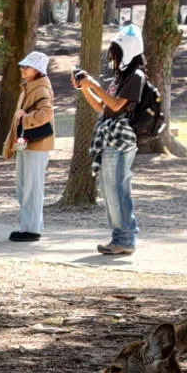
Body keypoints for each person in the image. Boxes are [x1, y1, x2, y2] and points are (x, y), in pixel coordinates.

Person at [79, 42, 140, 257]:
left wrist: (94, 84)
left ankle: (125, 238)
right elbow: (101, 107)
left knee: (118, 191)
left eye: (115, 55)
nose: (112, 59)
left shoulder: (136, 76)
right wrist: (85, 87)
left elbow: (116, 105)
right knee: (109, 191)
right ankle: (120, 238)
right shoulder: (121, 78)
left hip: (121, 140)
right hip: (108, 138)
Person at [0, 51, 55, 241]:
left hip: (36, 145)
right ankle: (28, 226)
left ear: (37, 70)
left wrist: (26, 118)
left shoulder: (40, 89)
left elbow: (46, 114)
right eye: (23, 66)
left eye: (27, 66)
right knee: (25, 187)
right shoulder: (30, 87)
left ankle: (31, 229)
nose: (22, 69)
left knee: (31, 187)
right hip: (28, 145)